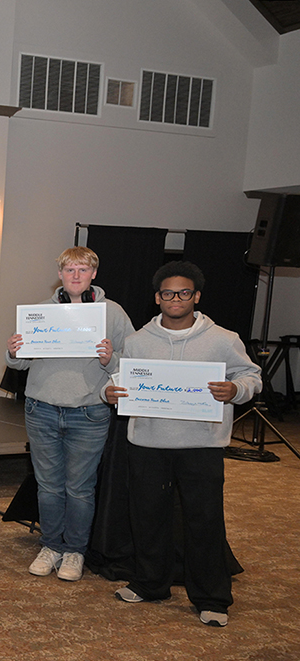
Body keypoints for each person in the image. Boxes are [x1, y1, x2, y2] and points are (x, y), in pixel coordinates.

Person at [104, 261, 260, 627]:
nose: (176, 298)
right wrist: (107, 392)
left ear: (196, 296)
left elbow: (251, 375)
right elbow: (116, 379)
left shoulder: (224, 339)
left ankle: (212, 598)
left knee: (204, 521)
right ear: (158, 298)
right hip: (147, 443)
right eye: (169, 293)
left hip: (201, 446)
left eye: (184, 292)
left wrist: (236, 389)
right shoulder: (138, 341)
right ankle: (150, 583)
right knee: (147, 518)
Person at [6, 246, 134, 582]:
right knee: (48, 487)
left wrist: (111, 359)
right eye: (69, 270)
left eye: (82, 270)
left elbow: (133, 361)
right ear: (60, 275)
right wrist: (13, 350)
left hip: (89, 413)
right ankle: (50, 546)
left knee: (79, 488)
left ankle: (75, 551)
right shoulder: (39, 313)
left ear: (94, 273)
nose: (75, 276)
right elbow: (19, 364)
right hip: (41, 409)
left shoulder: (113, 313)